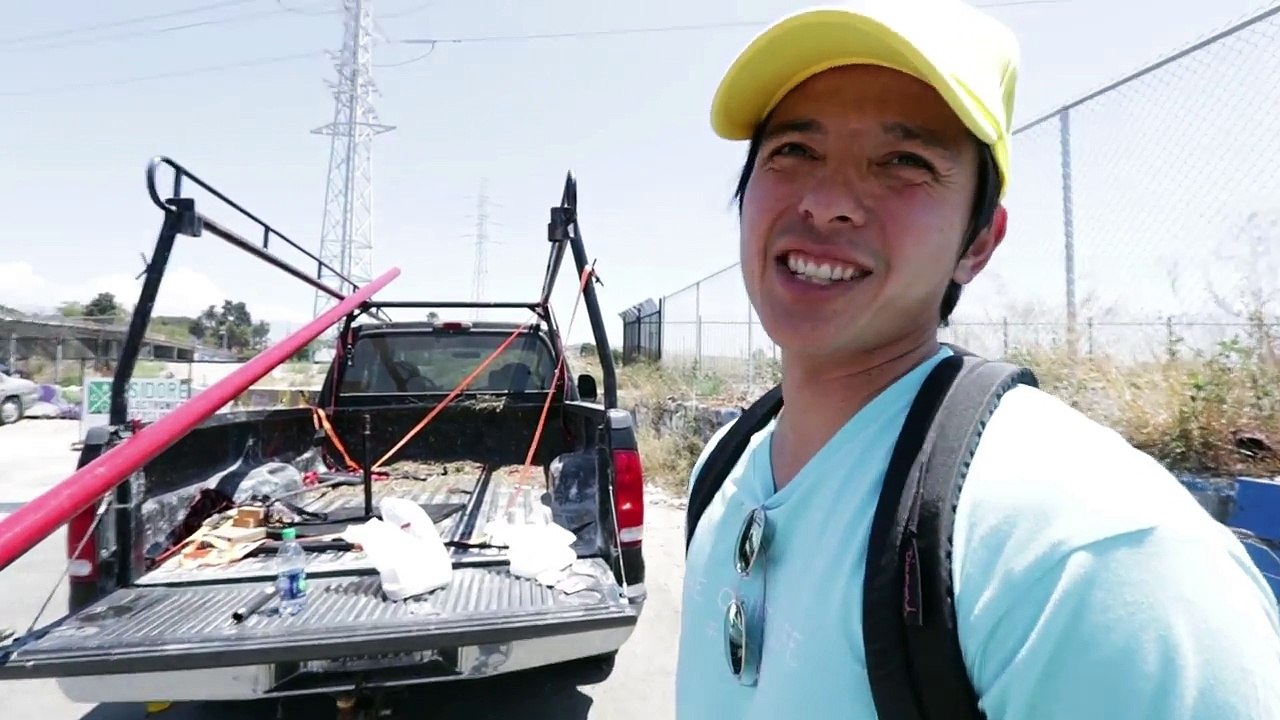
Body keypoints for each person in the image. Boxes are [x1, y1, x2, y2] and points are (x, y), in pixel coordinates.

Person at [675, 1, 1280, 718]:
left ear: (979, 242)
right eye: (795, 150)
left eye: (904, 162)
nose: (828, 200)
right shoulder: (724, 466)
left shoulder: (1085, 559)